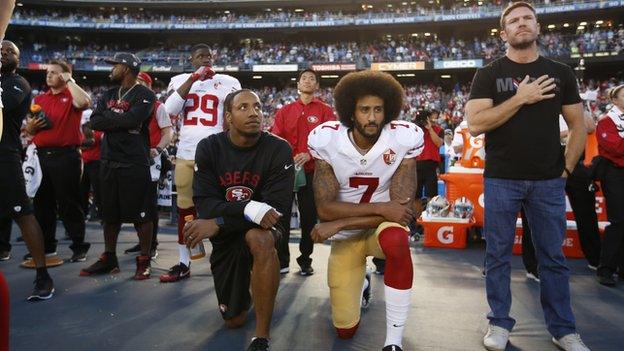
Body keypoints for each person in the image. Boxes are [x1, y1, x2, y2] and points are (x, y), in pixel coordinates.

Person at [465, 2, 590, 350]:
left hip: (549, 179)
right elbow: (476, 124)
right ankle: (499, 323)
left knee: (553, 258)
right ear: (504, 33)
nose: (521, 24)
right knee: (498, 256)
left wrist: (565, 169)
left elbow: (579, 126)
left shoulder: (561, 72)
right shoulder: (488, 73)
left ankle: (563, 328)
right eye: (513, 21)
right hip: (501, 177)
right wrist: (521, 98)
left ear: (537, 27)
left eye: (527, 19)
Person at [308, 70, 424, 351]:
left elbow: (401, 210)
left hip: (376, 230)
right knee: (345, 331)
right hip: (348, 237)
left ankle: (393, 341)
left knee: (397, 239)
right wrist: (382, 209)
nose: (371, 117)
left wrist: (339, 223)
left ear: (388, 111)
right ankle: (363, 283)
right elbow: (325, 209)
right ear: (350, 111)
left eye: (378, 110)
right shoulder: (326, 140)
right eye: (364, 110)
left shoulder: (403, 138)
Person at [183, 89, 294, 351]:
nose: (254, 112)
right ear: (228, 117)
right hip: (227, 235)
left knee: (259, 238)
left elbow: (274, 212)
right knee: (234, 319)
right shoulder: (209, 147)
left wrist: (220, 221)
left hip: (260, 230)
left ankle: (262, 336)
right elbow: (206, 204)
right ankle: (253, 285)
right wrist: (247, 210)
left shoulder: (278, 149)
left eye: (257, 107)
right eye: (243, 107)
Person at [161, 43, 241, 283]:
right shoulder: (179, 80)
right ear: (191, 59)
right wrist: (194, 79)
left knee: (221, 206)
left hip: (217, 154)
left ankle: (224, 257)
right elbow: (169, 110)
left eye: (209, 56)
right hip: (186, 152)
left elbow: (235, 114)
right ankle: (185, 261)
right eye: (200, 56)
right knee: (186, 209)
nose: (206, 59)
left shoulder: (229, 81)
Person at [80, 52, 156, 280]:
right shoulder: (109, 93)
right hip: (108, 160)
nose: (111, 69)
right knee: (109, 214)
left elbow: (133, 120)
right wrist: (119, 120)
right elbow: (95, 121)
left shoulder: (145, 94)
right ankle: (109, 258)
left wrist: (110, 120)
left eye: (115, 65)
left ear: (127, 67)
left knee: (141, 214)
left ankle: (144, 259)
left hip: (134, 161)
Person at [23, 59, 92, 266]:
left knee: (68, 203)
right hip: (41, 155)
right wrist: (32, 129)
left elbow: (84, 102)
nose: (49, 75)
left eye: (54, 72)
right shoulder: (40, 99)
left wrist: (69, 79)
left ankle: (79, 246)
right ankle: (47, 247)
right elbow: (30, 130)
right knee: (43, 204)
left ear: (64, 75)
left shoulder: (72, 95)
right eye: (48, 72)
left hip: (66, 155)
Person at [0, 40, 54, 301]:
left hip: (5, 156)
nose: (4, 53)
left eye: (10, 51)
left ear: (18, 60)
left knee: (23, 214)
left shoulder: (17, 84)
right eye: (0, 49)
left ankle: (43, 275)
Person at [270, 68, 336, 275]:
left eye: (312, 79)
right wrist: (289, 157)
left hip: (312, 172)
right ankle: (281, 260)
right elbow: (276, 139)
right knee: (281, 216)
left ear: (316, 86)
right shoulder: (284, 111)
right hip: (286, 172)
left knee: (309, 217)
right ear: (298, 84)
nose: (307, 81)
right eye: (304, 78)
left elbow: (332, 139)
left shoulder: (325, 111)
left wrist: (310, 154)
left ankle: (305, 258)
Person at [123, 71, 173, 259]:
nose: (137, 86)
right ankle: (143, 241)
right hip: (131, 158)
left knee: (148, 205)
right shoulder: (128, 106)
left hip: (150, 159)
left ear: (149, 86)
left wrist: (158, 149)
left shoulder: (157, 106)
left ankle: (152, 244)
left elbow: (168, 133)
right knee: (135, 204)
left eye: (141, 83)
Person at [595, 84, 624, 286]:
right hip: (615, 174)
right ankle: (606, 269)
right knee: (619, 221)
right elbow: (615, 148)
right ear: (614, 100)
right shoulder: (606, 121)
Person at [414, 109, 443, 199]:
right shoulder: (415, 130)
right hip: (416, 165)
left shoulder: (439, 130)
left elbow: (438, 143)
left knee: (431, 195)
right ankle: (416, 213)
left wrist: (430, 129)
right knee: (415, 196)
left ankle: (430, 212)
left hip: (430, 165)